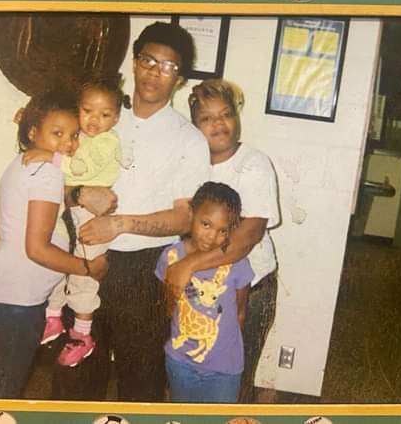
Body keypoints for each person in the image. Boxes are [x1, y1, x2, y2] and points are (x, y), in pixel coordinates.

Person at [57, 21, 211, 401]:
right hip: (83, 256)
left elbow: (185, 217)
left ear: (180, 79)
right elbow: (50, 181)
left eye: (168, 67)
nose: (155, 72)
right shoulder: (99, 116)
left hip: (144, 269)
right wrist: (79, 193)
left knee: (141, 380)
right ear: (134, 62)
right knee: (76, 371)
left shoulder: (189, 139)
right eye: (148, 60)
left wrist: (119, 224)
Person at [0, 89, 108, 399]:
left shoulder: (28, 163)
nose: (68, 143)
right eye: (57, 133)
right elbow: (36, 249)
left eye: (74, 135)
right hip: (16, 298)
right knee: (2, 392)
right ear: (33, 132)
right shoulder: (46, 172)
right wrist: (88, 268)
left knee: (1, 383)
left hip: (9, 291)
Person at [167, 78, 280, 403]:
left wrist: (189, 264)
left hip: (250, 290)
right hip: (197, 290)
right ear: (194, 126)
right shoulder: (190, 164)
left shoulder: (253, 163)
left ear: (236, 118)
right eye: (207, 118)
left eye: (226, 114)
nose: (218, 123)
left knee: (235, 376)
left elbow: (248, 236)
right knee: (190, 365)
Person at [36, 80, 125, 368]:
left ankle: (82, 335)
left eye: (105, 114)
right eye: (88, 111)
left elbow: (80, 168)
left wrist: (49, 157)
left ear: (116, 118)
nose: (94, 120)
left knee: (84, 273)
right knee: (56, 255)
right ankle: (53, 316)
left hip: (93, 215)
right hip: (71, 208)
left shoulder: (107, 141)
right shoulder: (79, 135)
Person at [155, 181, 253, 403]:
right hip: (180, 362)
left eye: (222, 230)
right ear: (191, 215)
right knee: (183, 414)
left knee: (219, 417)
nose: (212, 236)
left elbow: (240, 312)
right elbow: (169, 305)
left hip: (224, 368)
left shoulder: (238, 264)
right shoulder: (170, 257)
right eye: (206, 224)